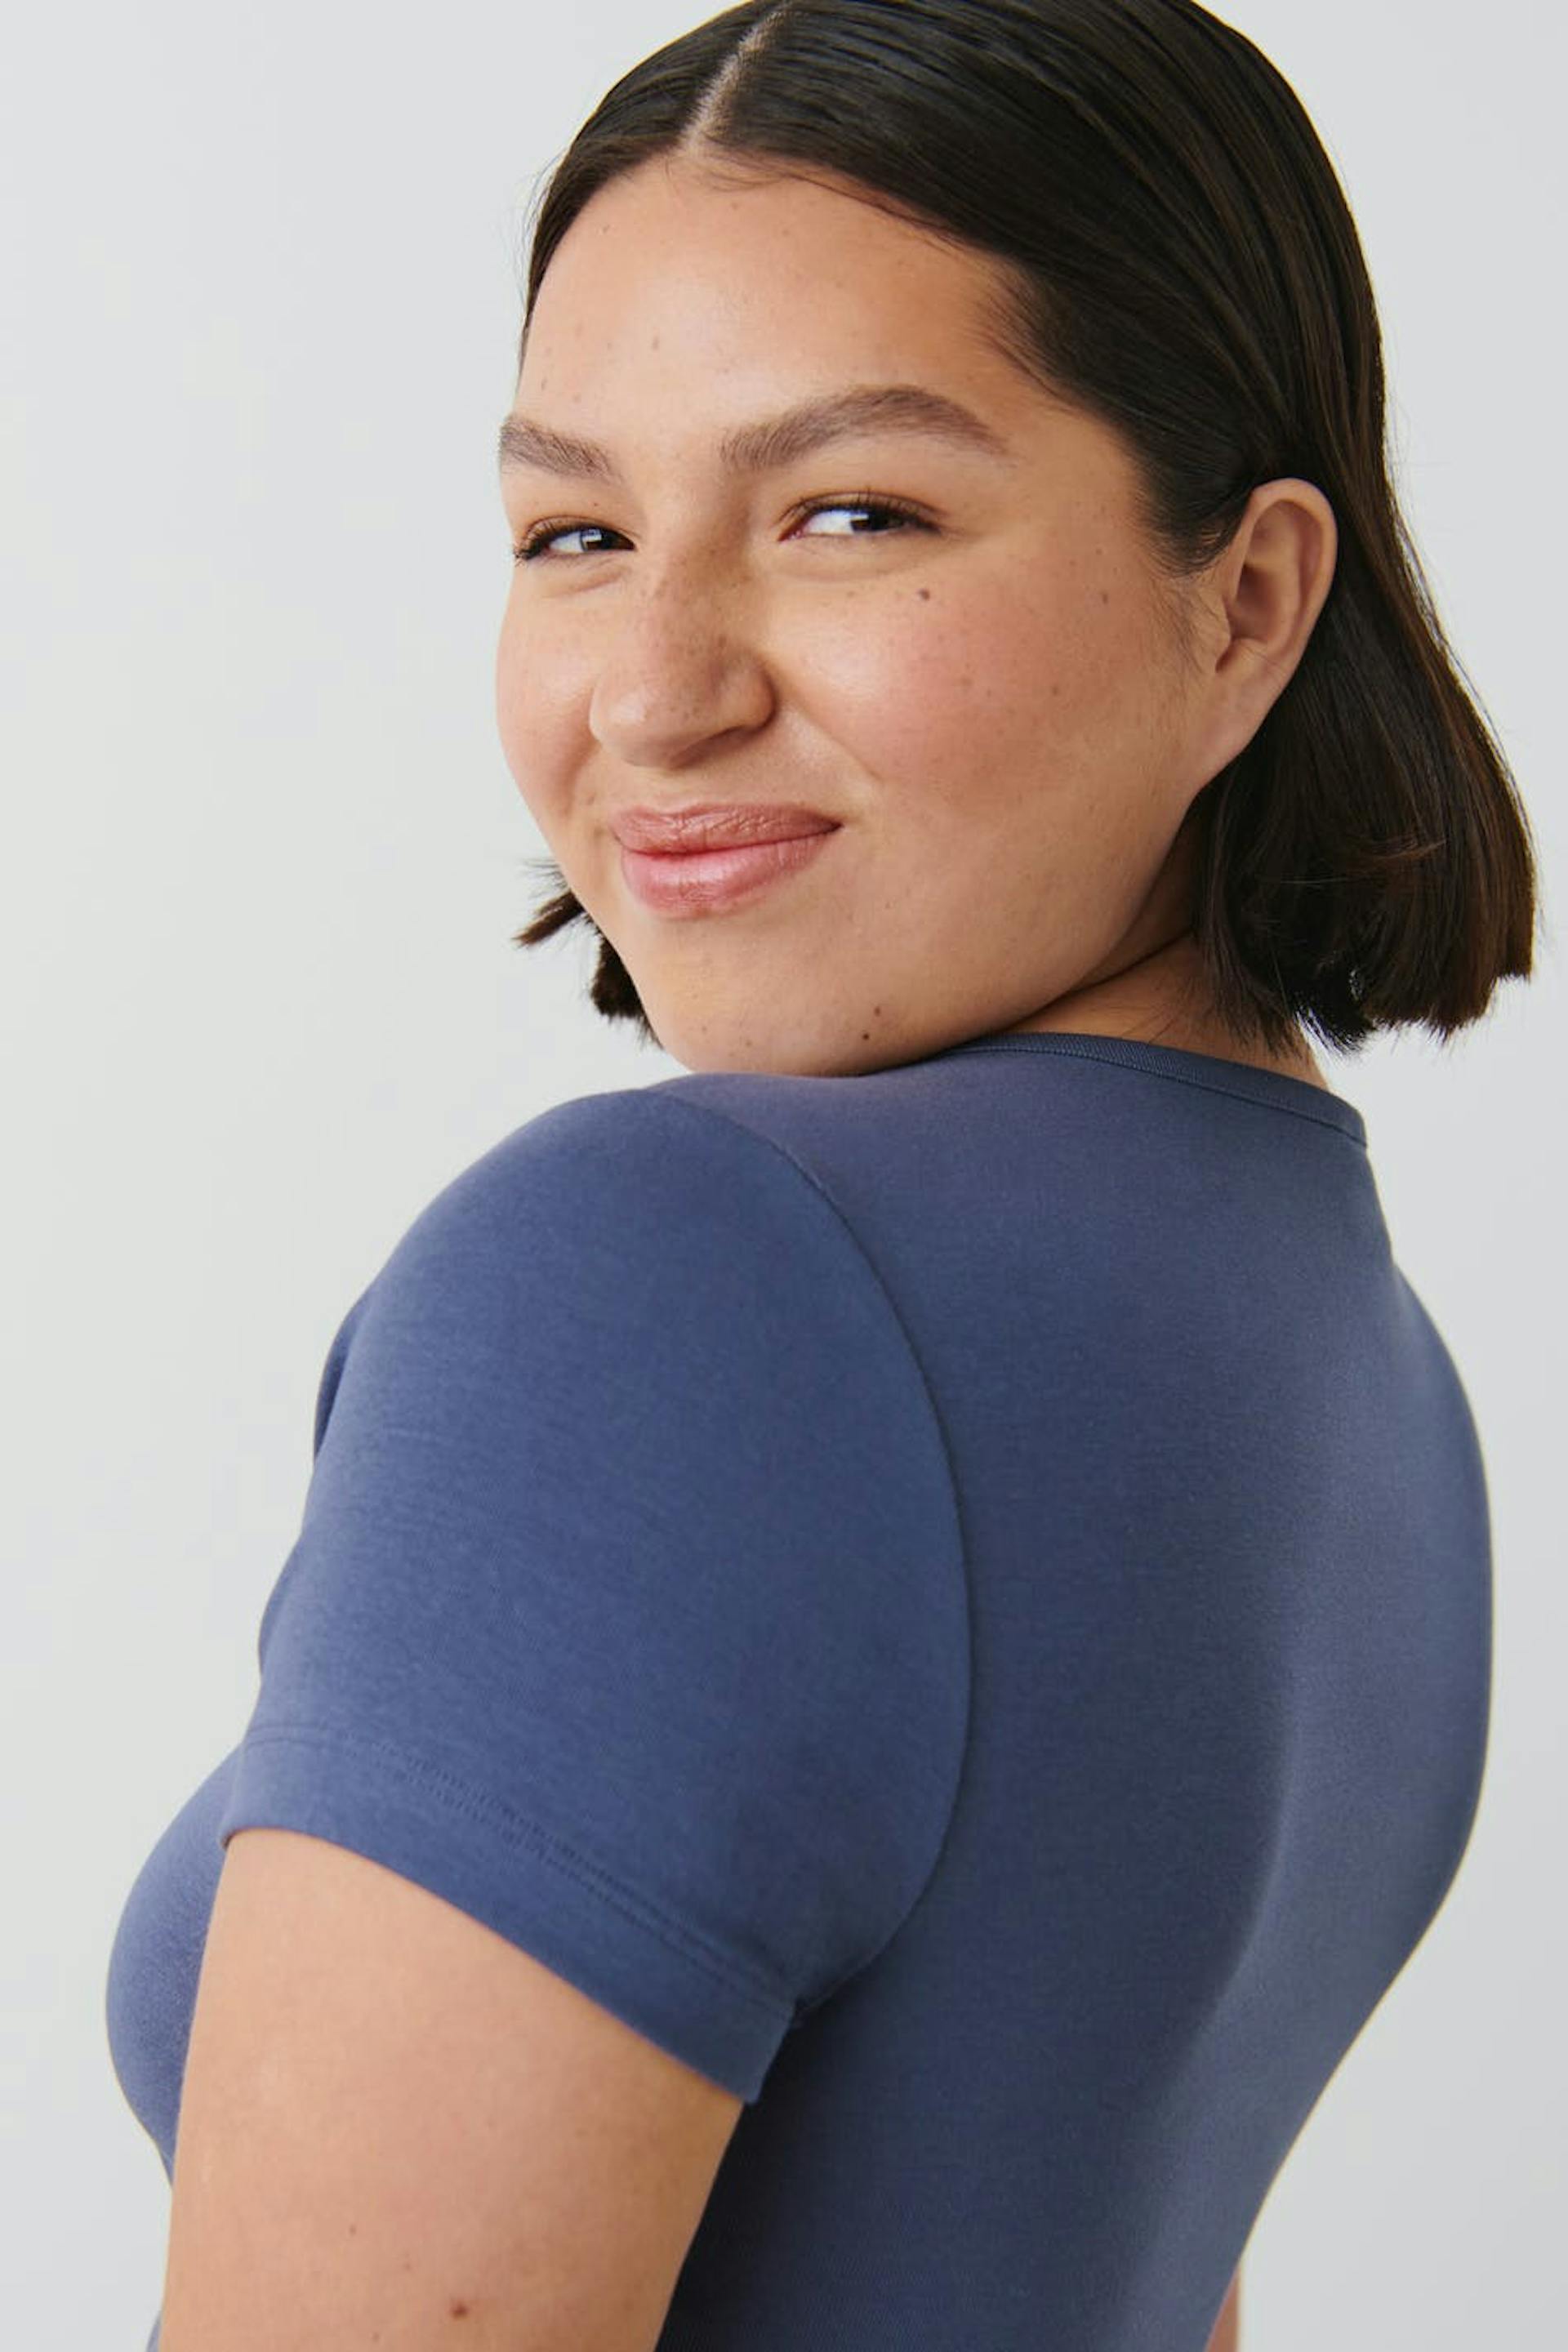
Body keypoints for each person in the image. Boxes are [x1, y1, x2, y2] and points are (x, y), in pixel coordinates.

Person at [105, 4, 1538, 2349]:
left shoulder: (666, 1279)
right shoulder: (1370, 1384)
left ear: (1251, 601)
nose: (655, 691)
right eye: (576, 533)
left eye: (852, 514)